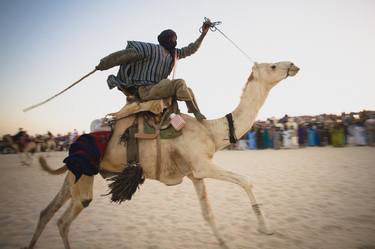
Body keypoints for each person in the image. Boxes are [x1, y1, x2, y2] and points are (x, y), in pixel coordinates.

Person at [95, 20, 212, 120]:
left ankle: (193, 112)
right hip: (145, 90)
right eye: (173, 39)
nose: (175, 41)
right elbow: (125, 55)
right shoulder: (150, 49)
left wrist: (203, 34)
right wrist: (103, 64)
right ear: (167, 39)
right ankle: (196, 113)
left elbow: (191, 49)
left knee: (187, 90)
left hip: (159, 88)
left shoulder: (174, 54)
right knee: (179, 83)